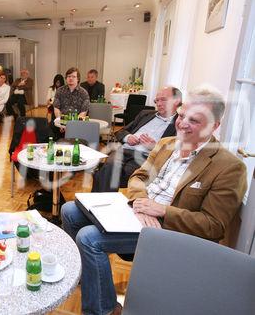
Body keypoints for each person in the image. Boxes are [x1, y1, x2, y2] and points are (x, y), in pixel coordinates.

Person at [61, 87, 247, 315]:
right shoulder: (166, 144)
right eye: (181, 115)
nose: (183, 123)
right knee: (70, 210)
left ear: (214, 126)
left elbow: (213, 226)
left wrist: (161, 211)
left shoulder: (229, 167)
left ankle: (104, 309)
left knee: (88, 238)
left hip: (167, 228)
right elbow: (139, 177)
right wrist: (141, 203)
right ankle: (86, 274)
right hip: (139, 210)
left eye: (194, 120)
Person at [92, 86, 182, 192]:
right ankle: (103, 206)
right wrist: (128, 137)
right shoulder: (145, 114)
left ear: (177, 101)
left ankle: (91, 206)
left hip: (146, 157)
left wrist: (154, 147)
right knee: (111, 167)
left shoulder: (180, 123)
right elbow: (120, 131)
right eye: (157, 100)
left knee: (103, 173)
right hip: (123, 151)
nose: (159, 103)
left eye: (163, 99)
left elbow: (177, 151)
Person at [52, 67, 90, 139]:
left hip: (77, 124)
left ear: (78, 79)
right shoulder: (60, 91)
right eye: (69, 76)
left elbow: (83, 112)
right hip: (61, 121)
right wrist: (62, 124)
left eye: (73, 76)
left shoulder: (84, 93)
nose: (71, 78)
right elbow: (56, 108)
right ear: (66, 78)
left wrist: (71, 126)